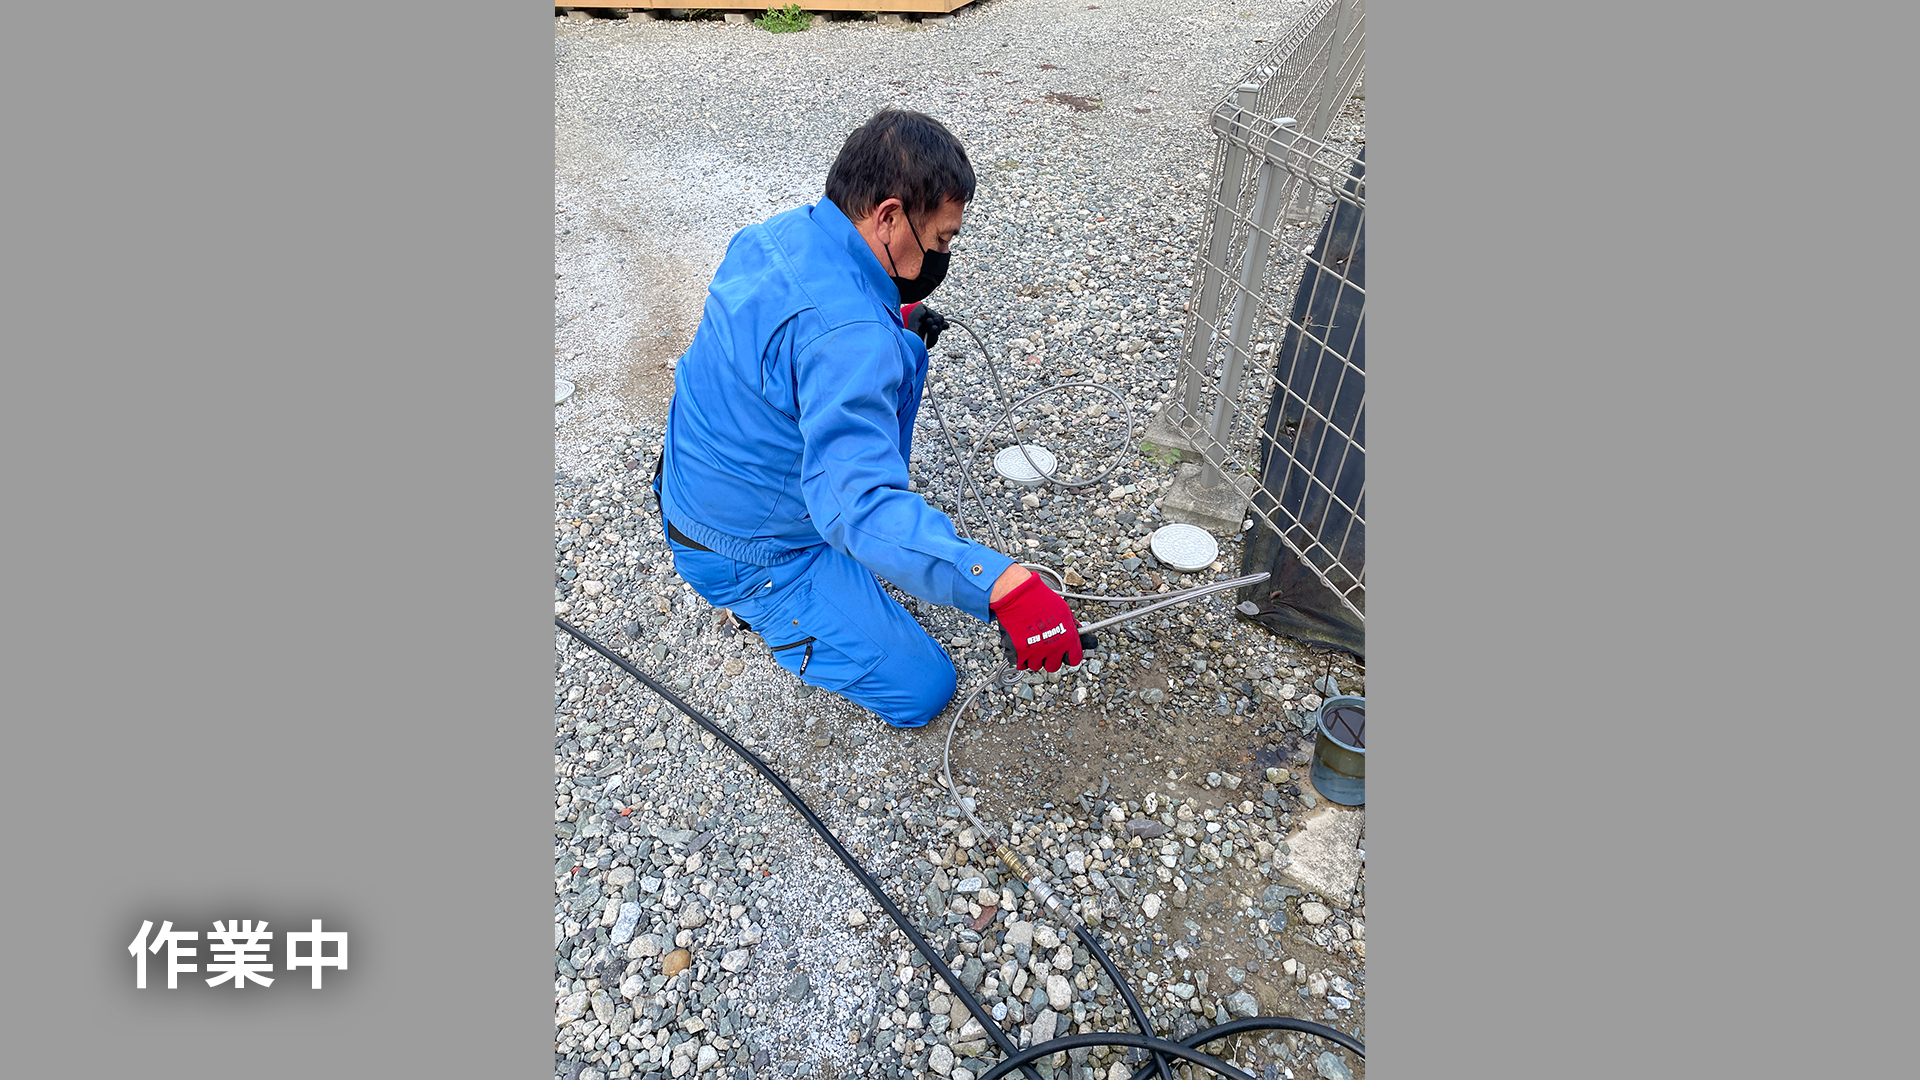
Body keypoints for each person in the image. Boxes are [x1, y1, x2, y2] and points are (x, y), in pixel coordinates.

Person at [653, 108, 1081, 729]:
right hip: (748, 550)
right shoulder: (848, 338)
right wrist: (1002, 586)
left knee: (900, 352)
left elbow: (789, 347)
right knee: (924, 688)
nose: (942, 255)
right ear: (887, 215)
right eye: (939, 240)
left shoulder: (774, 235)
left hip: (697, 482)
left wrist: (891, 324)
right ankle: (758, 608)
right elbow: (857, 509)